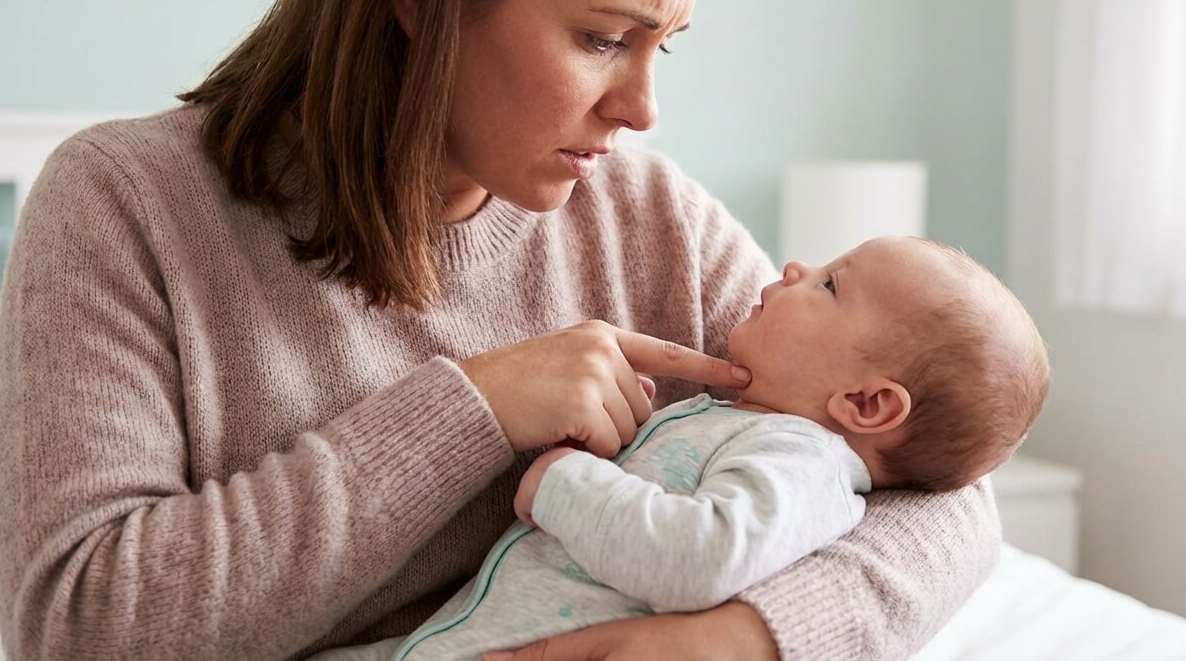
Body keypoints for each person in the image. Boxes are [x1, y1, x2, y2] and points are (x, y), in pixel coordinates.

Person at [0, 0, 1003, 659]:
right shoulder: (124, 204)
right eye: (604, 39)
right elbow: (79, 626)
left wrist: (746, 636)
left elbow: (944, 491)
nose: (642, 107)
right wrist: (470, 412)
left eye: (665, 45)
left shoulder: (649, 217)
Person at [312, 236, 1049, 661]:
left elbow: (703, 558)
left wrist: (567, 481)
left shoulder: (803, 464)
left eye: (829, 284)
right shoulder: (752, 425)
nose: (793, 269)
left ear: (865, 404)